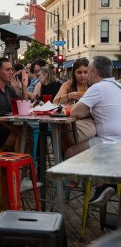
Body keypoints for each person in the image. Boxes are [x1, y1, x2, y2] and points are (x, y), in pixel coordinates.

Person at [67, 56, 121, 206]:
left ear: (94, 72)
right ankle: (105, 183)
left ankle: (104, 185)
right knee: (92, 145)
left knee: (71, 152)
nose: (87, 75)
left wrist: (88, 111)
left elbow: (74, 112)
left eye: (89, 70)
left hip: (110, 143)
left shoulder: (98, 87)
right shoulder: (118, 85)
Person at [0, 58, 37, 191]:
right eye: (8, 69)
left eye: (12, 69)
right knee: (21, 138)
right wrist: (16, 129)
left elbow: (22, 105)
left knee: (29, 137)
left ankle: (19, 178)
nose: (11, 72)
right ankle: (13, 180)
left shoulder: (8, 89)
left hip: (3, 127)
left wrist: (24, 86)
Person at [53, 58, 96, 150]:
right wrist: (69, 95)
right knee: (62, 129)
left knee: (64, 133)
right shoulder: (68, 85)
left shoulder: (93, 86)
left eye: (85, 72)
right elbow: (55, 101)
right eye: (79, 72)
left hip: (87, 121)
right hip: (69, 120)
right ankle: (71, 156)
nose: (83, 75)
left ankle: (71, 155)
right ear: (74, 73)